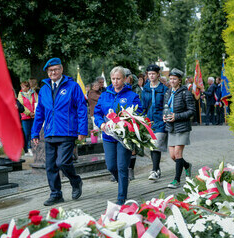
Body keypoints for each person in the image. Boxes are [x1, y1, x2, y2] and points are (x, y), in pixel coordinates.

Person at [31, 57, 88, 206]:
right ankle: (56, 194)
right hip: (50, 132)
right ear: (47, 73)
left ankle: (76, 181)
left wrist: (82, 130)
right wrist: (35, 133)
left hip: (67, 132)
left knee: (62, 162)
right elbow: (39, 113)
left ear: (62, 69)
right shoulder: (43, 89)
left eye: (55, 69)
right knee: (50, 166)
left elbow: (82, 108)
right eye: (50, 70)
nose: (53, 72)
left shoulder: (73, 86)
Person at [94, 66, 142, 205]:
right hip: (109, 136)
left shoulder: (131, 96)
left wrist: (127, 122)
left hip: (124, 137)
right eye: (113, 79)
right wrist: (101, 123)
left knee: (122, 166)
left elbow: (139, 113)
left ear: (125, 79)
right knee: (111, 167)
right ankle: (123, 181)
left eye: (118, 79)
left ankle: (121, 197)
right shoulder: (104, 95)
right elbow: (97, 113)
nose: (115, 82)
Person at [163, 68, 195, 189]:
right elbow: (165, 107)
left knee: (178, 153)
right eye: (170, 79)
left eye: (174, 79)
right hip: (170, 127)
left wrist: (177, 116)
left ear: (179, 80)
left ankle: (176, 180)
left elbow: (192, 111)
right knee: (172, 156)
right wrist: (164, 116)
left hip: (182, 127)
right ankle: (186, 166)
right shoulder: (168, 93)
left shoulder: (185, 93)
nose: (172, 81)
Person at [141, 64, 168, 181]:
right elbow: (143, 106)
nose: (151, 76)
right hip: (149, 122)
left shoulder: (164, 89)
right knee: (151, 146)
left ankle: (154, 170)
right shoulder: (145, 89)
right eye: (149, 74)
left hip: (160, 121)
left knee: (156, 145)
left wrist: (165, 118)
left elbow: (167, 105)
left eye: (153, 74)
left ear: (158, 74)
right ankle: (157, 169)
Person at [18, 81, 38, 156]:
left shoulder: (34, 93)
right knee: (26, 133)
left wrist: (35, 113)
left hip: (34, 116)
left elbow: (37, 102)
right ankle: (26, 149)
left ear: (28, 87)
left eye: (23, 87)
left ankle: (32, 148)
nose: (22, 88)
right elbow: (21, 105)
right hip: (25, 117)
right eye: (21, 87)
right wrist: (29, 113)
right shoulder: (20, 94)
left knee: (33, 132)